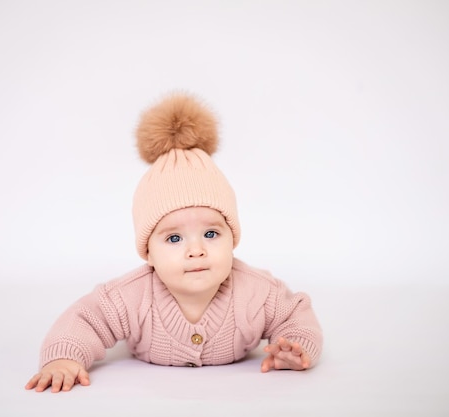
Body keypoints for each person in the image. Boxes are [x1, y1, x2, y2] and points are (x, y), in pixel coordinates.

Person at [25, 93, 323, 393]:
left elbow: (294, 312)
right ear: (148, 252)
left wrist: (295, 346)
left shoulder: (258, 293)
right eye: (174, 238)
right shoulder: (129, 297)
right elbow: (86, 319)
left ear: (233, 238)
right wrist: (63, 357)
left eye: (211, 234)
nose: (196, 250)